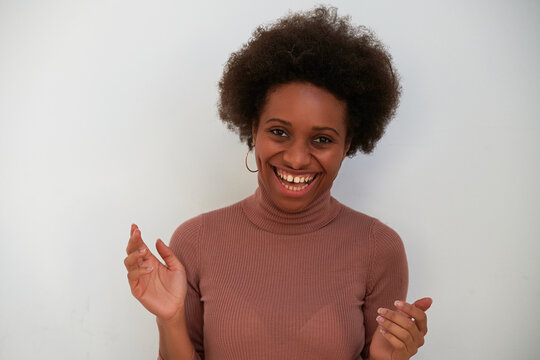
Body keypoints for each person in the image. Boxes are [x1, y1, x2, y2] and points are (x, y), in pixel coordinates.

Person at [124, 6, 432, 360]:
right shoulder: (195, 242)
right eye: (279, 132)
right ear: (253, 130)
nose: (297, 159)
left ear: (348, 144)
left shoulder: (379, 249)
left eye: (322, 140)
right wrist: (172, 319)